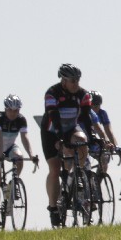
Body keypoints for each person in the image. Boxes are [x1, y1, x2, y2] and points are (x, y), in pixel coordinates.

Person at [42, 65, 98, 227]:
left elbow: (86, 118)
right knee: (54, 168)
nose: (76, 84)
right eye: (73, 81)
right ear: (64, 81)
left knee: (82, 141)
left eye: (78, 80)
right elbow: (53, 117)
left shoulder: (83, 94)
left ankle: (76, 175)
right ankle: (53, 207)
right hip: (52, 131)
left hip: (71, 128)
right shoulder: (52, 93)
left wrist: (93, 137)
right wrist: (61, 139)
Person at [0, 93, 39, 229]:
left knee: (19, 158)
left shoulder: (21, 120)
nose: (13, 113)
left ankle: (13, 183)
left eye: (16, 110)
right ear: (5, 109)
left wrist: (31, 155)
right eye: (10, 110)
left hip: (9, 146)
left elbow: (24, 138)